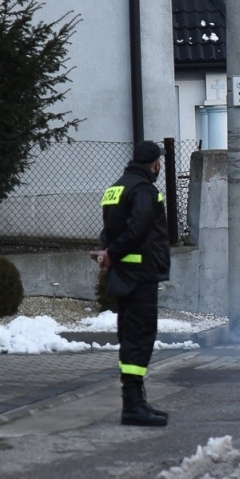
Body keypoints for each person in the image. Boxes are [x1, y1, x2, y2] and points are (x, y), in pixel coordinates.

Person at [93, 140, 172, 426]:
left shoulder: (116, 188)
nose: (159, 166)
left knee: (130, 337)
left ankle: (135, 400)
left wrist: (108, 252)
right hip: (141, 275)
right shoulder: (144, 190)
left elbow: (109, 230)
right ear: (155, 164)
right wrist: (113, 253)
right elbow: (138, 229)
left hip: (124, 275)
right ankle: (133, 407)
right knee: (140, 337)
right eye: (159, 162)